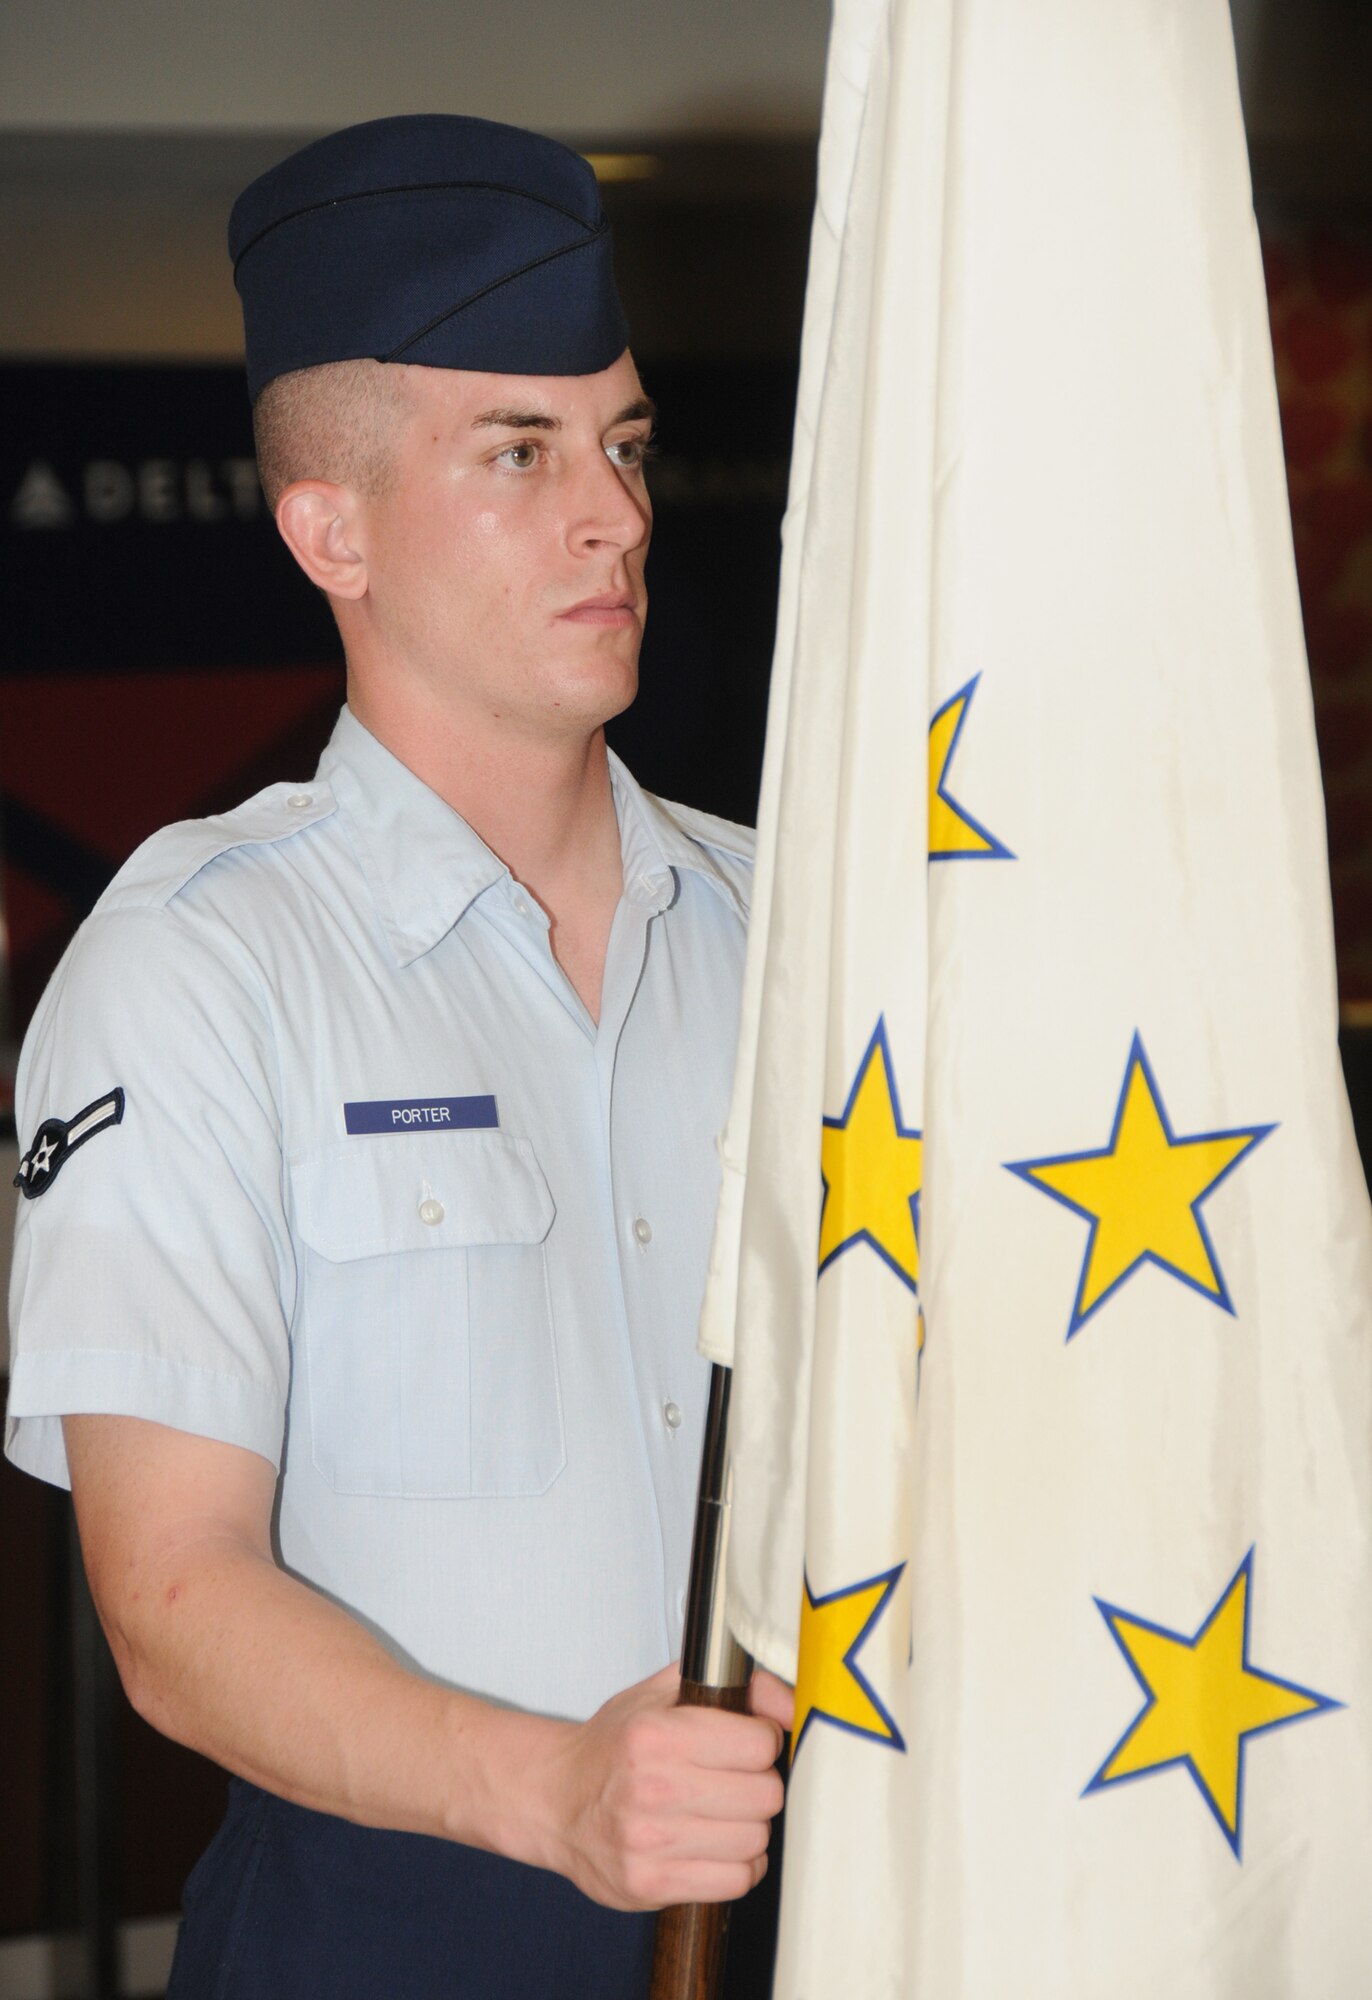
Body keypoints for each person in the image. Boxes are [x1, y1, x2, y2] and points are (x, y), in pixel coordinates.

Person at [4, 114, 790, 1999]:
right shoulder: (208, 963)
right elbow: (177, 1601)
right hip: (401, 1918)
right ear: (327, 525)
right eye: (518, 452)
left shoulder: (796, 933)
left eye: (621, 445)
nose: (613, 512)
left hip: (826, 1908)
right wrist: (561, 1796)